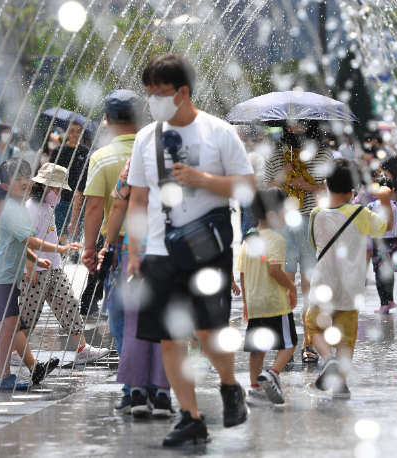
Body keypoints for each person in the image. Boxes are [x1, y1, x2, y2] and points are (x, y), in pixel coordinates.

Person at [126, 53, 254, 446]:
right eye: (149, 94)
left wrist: (203, 179)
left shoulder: (218, 133)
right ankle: (191, 417)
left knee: (208, 331)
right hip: (161, 252)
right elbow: (137, 199)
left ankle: (230, 386)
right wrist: (135, 251)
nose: (154, 101)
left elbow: (246, 187)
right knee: (170, 338)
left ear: (183, 92)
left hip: (207, 248)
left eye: (160, 93)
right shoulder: (147, 138)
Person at [0, 159, 80, 389]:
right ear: (6, 186)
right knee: (11, 326)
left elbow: (21, 245)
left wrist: (36, 260)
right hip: (1, 277)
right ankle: (4, 376)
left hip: (6, 278)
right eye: (17, 179)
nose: (24, 181)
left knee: (8, 326)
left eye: (27, 176)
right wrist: (60, 249)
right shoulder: (12, 210)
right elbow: (30, 240)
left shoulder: (18, 207)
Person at [306, 159, 392, 399]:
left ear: (325, 184)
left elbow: (315, 244)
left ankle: (328, 359)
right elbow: (384, 227)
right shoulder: (360, 213)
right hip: (351, 287)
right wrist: (384, 200)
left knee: (314, 327)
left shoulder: (316, 214)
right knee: (346, 338)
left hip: (324, 283)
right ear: (353, 189)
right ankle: (341, 384)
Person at [99, 156, 172, 418]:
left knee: (132, 325)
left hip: (135, 251)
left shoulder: (136, 161)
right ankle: (162, 394)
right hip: (171, 250)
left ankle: (136, 391)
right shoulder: (188, 158)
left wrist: (108, 245)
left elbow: (118, 204)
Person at [18, 163, 109, 364]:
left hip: (54, 268)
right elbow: (25, 240)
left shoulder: (46, 207)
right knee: (28, 316)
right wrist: (30, 268)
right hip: (36, 271)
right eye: (57, 189)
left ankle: (82, 349)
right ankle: (15, 352)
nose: (58, 193)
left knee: (70, 305)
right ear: (45, 187)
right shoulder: (31, 209)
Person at [264, 121, 333, 365]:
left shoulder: (323, 153)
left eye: (302, 122)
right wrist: (283, 173)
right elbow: (264, 190)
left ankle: (308, 343)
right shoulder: (276, 152)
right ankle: (286, 343)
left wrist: (307, 186)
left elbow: (332, 191)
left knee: (310, 289)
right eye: (292, 122)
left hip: (312, 225)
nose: (297, 126)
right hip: (283, 228)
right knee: (285, 287)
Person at [82, 89, 142, 321]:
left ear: (106, 120)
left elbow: (95, 207)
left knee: (121, 320)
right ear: (140, 118)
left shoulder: (101, 157)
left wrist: (89, 248)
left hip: (119, 250)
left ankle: (126, 356)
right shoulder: (158, 153)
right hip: (157, 247)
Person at [237, 188, 298, 406]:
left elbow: (242, 273)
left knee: (257, 349)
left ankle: (254, 389)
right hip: (275, 303)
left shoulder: (249, 239)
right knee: (290, 343)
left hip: (254, 303)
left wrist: (246, 303)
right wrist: (292, 286)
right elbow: (274, 270)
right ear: (272, 215)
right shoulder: (276, 239)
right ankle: (272, 374)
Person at [368, 176, 397, 314]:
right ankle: (390, 300)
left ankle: (384, 303)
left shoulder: (371, 206)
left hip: (377, 243)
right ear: (392, 191)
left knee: (379, 273)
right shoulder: (396, 206)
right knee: (390, 272)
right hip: (393, 243)